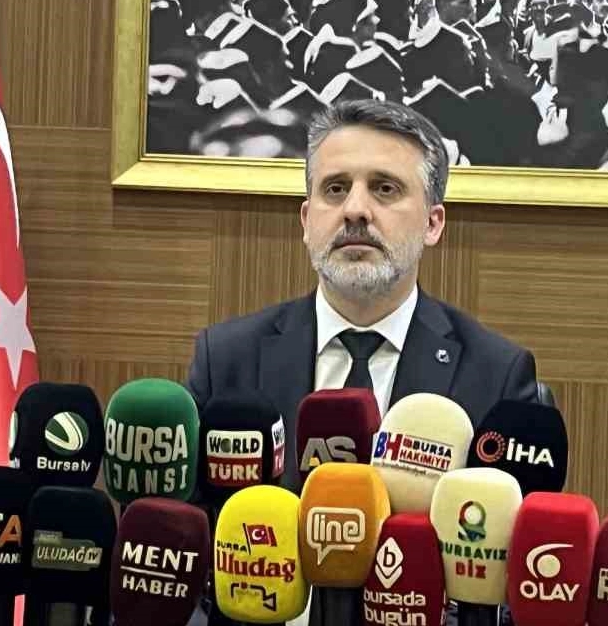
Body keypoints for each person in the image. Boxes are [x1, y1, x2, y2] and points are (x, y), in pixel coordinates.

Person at [186, 99, 551, 491]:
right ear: (307, 221)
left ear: (432, 223)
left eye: (385, 188)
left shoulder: (496, 375)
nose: (355, 210)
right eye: (336, 188)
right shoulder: (225, 360)